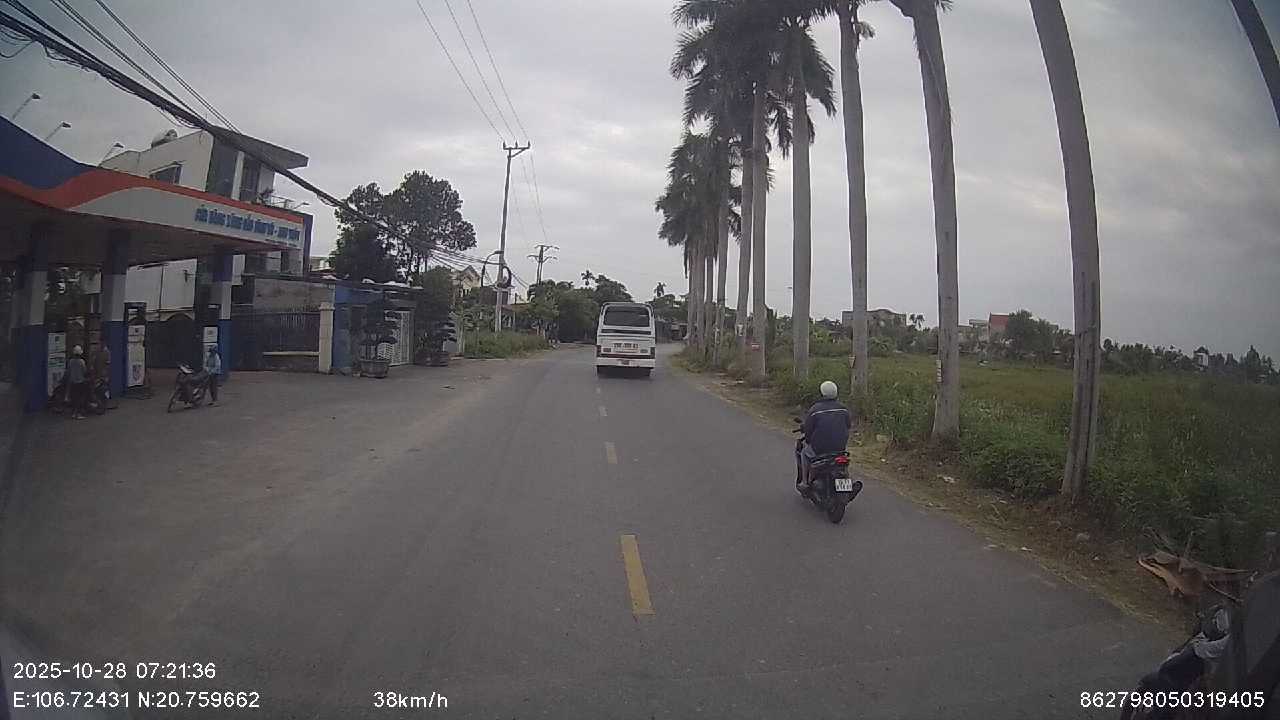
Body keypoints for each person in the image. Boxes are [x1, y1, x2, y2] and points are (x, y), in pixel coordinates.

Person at [797, 380, 852, 489]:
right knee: (843, 462)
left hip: (820, 449)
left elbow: (808, 430)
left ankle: (804, 482)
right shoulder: (844, 408)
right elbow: (848, 425)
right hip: (840, 448)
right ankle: (846, 486)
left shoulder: (815, 410)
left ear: (822, 393)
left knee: (804, 453)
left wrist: (808, 440)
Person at [66, 345, 89, 419]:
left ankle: (73, 413)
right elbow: (85, 371)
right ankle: (78, 414)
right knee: (80, 398)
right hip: (80, 382)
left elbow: (68, 371)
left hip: (72, 382)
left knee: (74, 398)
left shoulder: (71, 361)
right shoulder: (81, 362)